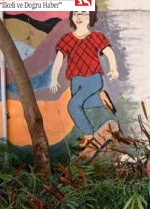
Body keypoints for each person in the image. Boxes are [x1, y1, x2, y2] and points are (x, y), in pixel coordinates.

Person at [49, 8, 118, 147]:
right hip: (75, 80)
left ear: (90, 17)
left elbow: (109, 52)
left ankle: (88, 135)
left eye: (83, 14)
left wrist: (113, 69)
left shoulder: (96, 36)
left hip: (93, 78)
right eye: (76, 13)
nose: (79, 17)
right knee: (81, 105)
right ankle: (101, 99)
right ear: (71, 17)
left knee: (73, 106)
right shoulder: (67, 39)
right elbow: (59, 58)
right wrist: (53, 78)